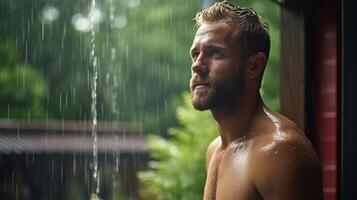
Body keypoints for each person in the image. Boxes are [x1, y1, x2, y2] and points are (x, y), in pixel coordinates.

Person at [189, 1, 322, 199]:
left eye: (214, 53)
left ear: (254, 66)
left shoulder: (279, 152)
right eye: (195, 54)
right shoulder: (215, 149)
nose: (197, 65)